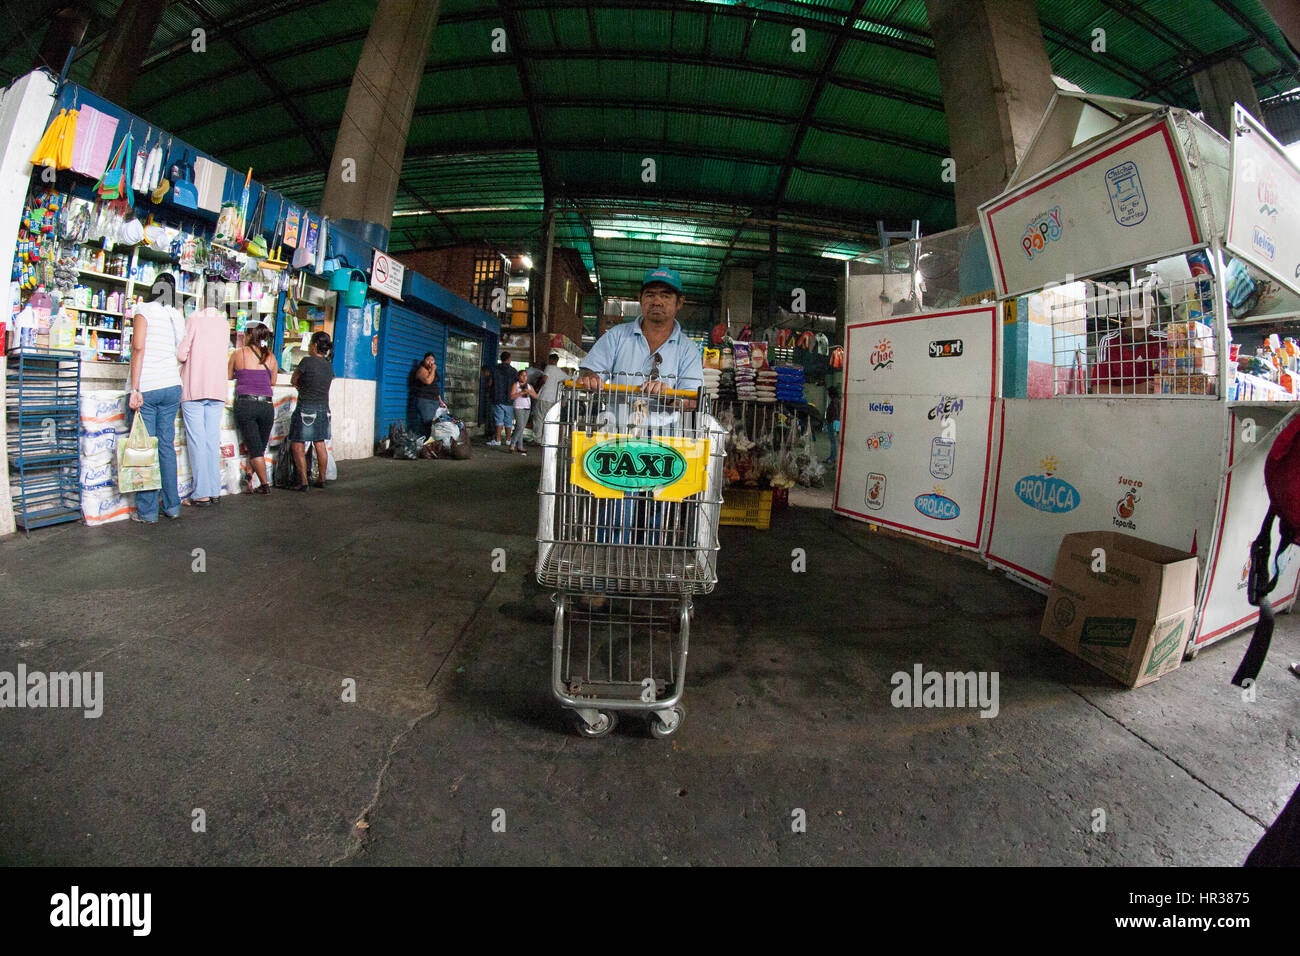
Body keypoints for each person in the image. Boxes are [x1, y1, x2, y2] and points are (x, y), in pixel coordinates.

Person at [576, 267, 703, 393]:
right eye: (650, 295)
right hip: (618, 414)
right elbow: (589, 371)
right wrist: (589, 376)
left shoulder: (688, 350)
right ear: (640, 298)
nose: (657, 302)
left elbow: (692, 399)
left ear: (679, 302)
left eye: (665, 296)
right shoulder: (616, 336)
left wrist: (668, 397)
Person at [127, 273, 186, 523]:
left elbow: (138, 347)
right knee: (165, 447)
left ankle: (148, 512)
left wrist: (135, 388)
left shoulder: (144, 309)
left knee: (144, 449)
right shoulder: (177, 315)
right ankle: (172, 506)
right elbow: (182, 355)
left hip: (148, 386)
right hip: (172, 386)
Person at [176, 300, 230, 508]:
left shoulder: (194, 319)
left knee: (197, 441)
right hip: (217, 389)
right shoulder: (224, 323)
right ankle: (215, 491)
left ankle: (201, 493)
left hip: (195, 387)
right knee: (211, 441)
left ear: (203, 299)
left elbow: (182, 354)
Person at [229, 321, 278, 495]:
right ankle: (249, 475)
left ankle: (265, 484)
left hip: (246, 405)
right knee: (259, 445)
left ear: (249, 335)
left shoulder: (238, 354)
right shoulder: (271, 357)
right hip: (266, 406)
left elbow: (228, 377)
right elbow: (272, 382)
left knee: (255, 447)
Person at [289, 331, 335, 490]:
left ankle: (303, 481)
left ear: (315, 345)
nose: (308, 347)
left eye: (310, 344)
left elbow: (294, 379)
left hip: (306, 407)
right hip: (324, 408)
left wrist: (301, 386)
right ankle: (321, 479)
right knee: (319, 442)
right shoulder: (329, 366)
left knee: (297, 443)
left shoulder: (307, 362)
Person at [412, 352, 446, 434]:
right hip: (425, 400)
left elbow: (434, 386)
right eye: (428, 360)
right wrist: (433, 369)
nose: (430, 362)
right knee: (428, 424)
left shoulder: (432, 371)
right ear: (424, 360)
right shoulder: (421, 370)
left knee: (434, 424)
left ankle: (431, 443)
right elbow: (428, 381)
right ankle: (425, 444)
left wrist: (440, 400)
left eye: (432, 360)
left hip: (434, 401)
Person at [509, 368, 539, 456]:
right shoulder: (516, 385)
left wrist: (529, 392)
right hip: (518, 407)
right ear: (519, 376)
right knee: (520, 426)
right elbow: (512, 396)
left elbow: (536, 396)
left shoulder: (529, 386)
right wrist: (521, 393)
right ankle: (512, 444)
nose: (524, 377)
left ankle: (520, 446)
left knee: (521, 428)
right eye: (522, 375)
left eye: (525, 376)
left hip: (527, 408)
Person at [489, 350, 516, 446]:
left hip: (497, 398)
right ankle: (508, 440)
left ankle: (498, 440)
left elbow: (490, 383)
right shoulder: (514, 371)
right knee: (508, 420)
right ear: (509, 359)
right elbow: (515, 385)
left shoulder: (494, 369)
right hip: (509, 399)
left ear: (501, 359)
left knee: (499, 420)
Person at [533, 351, 563, 437]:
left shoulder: (549, 367)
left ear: (550, 360)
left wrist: (538, 387)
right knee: (550, 419)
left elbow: (544, 379)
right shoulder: (560, 371)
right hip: (554, 399)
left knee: (539, 418)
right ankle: (547, 438)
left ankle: (537, 439)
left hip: (544, 397)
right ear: (557, 361)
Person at [824, 386, 841, 466]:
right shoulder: (835, 400)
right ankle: (832, 457)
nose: (827, 394)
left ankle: (832, 458)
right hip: (833, 423)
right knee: (833, 441)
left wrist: (835, 424)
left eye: (828, 392)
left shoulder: (835, 401)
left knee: (833, 442)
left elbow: (836, 413)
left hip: (832, 423)